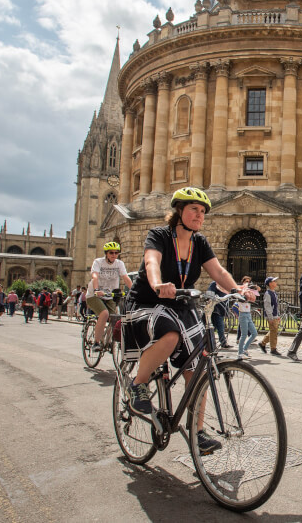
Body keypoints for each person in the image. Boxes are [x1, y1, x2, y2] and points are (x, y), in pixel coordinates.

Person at [122, 187, 239, 459]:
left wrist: (238, 291)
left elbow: (218, 271)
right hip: (148, 302)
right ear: (179, 212)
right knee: (171, 334)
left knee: (199, 364)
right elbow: (152, 261)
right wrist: (157, 283)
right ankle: (138, 385)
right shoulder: (160, 235)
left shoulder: (200, 242)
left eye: (202, 211)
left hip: (180, 304)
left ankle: (197, 433)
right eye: (194, 210)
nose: (199, 215)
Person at [86, 241, 133, 351]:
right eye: (111, 253)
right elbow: (95, 276)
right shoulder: (98, 262)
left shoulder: (119, 263)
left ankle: (108, 341)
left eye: (116, 253)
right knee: (104, 313)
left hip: (110, 295)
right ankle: (96, 343)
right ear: (106, 253)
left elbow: (126, 278)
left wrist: (134, 291)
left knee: (115, 319)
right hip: (94, 295)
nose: (114, 255)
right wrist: (97, 290)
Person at [258, 276, 281, 355]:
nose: (276, 282)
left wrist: (278, 315)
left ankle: (262, 343)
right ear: (270, 284)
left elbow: (276, 305)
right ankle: (273, 349)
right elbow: (267, 306)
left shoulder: (274, 293)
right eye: (274, 281)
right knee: (274, 332)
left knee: (273, 331)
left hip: (275, 315)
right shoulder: (268, 294)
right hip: (271, 316)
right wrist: (270, 317)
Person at [207, 281, 232, 349]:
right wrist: (211, 298)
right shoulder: (214, 284)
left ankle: (209, 342)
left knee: (215, 327)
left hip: (222, 309)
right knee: (220, 327)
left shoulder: (225, 285)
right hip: (216, 309)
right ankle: (222, 343)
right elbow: (209, 294)